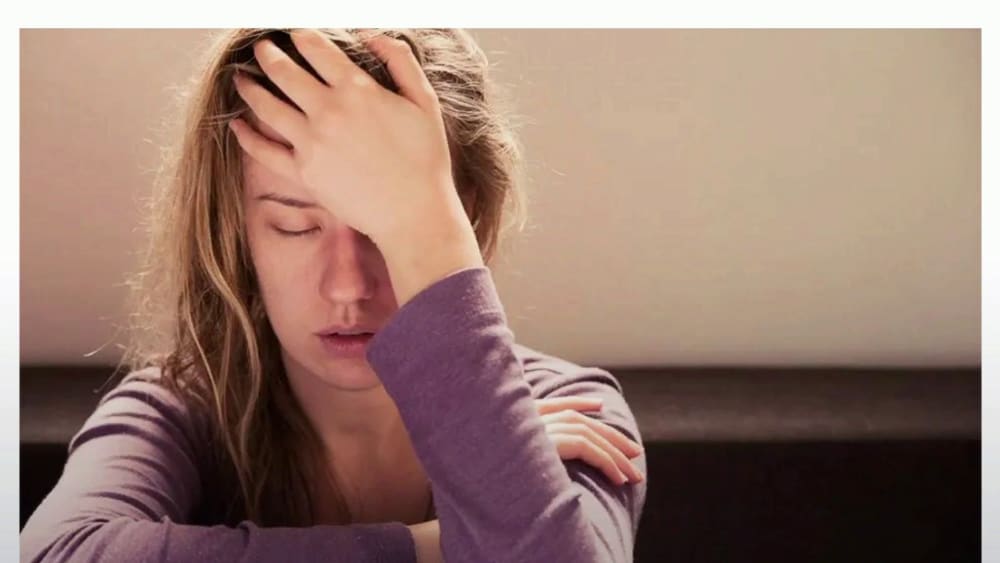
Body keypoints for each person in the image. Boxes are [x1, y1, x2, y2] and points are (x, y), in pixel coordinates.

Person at [20, 28, 647, 562]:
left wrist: (426, 229)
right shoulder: (180, 411)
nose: (347, 285)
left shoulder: (571, 409)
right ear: (237, 232)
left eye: (383, 229)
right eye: (295, 225)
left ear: (466, 220)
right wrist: (446, 541)